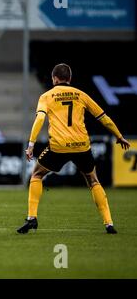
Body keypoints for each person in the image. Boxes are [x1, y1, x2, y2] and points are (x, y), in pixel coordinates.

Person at [17, 63, 130, 234]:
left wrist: (31, 144)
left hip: (59, 147)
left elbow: (40, 119)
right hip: (81, 146)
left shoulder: (46, 96)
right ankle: (109, 223)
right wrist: (119, 136)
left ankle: (32, 218)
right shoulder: (81, 95)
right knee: (93, 180)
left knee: (37, 174)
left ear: (54, 78)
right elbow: (104, 118)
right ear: (69, 79)